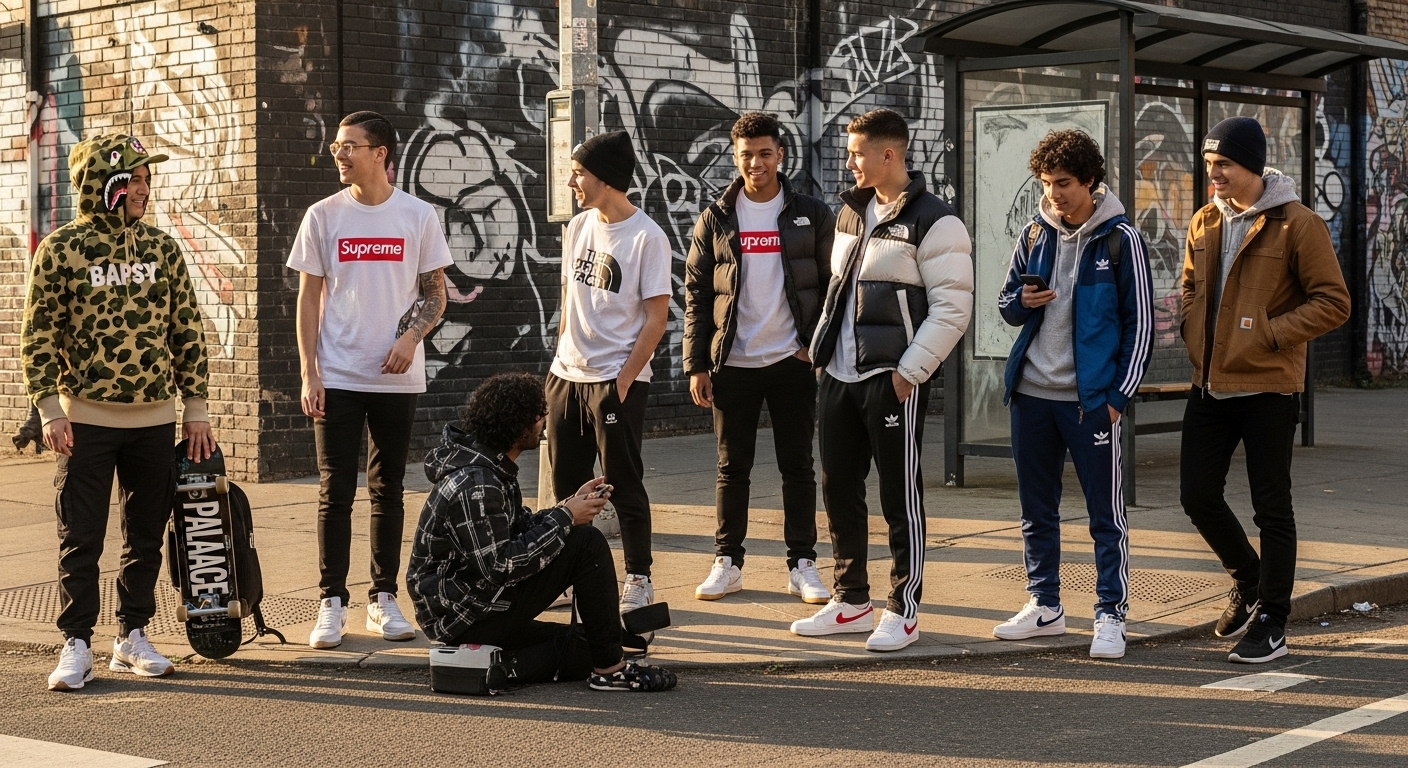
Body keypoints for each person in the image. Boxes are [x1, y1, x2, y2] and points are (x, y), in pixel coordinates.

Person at [23, 134, 215, 690]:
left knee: (146, 535)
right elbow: (38, 333)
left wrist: (195, 407)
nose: (143, 189)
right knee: (81, 537)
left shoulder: (162, 248)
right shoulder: (61, 249)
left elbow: (186, 330)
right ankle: (76, 643)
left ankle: (131, 635)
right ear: (102, 184)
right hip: (83, 419)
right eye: (133, 179)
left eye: (147, 179)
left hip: (154, 419)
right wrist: (49, 409)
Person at [793, 108, 974, 652]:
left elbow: (952, 309)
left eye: (856, 153)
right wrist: (821, 354)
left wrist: (909, 372)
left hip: (890, 378)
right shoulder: (851, 213)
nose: (848, 162)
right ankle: (851, 599)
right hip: (839, 374)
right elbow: (837, 291)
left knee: (900, 494)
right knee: (839, 488)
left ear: (888, 154)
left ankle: (903, 608)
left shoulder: (936, 221)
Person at [1180, 116, 1349, 664]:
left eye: (1224, 164)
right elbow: (1190, 286)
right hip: (1209, 384)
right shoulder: (1204, 220)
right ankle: (1249, 578)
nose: (1214, 174)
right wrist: (1191, 327)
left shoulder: (1299, 224)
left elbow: (1334, 302)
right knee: (1196, 495)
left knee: (1271, 508)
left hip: (1268, 388)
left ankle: (1273, 621)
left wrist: (1271, 335)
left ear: (1252, 165)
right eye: (1210, 164)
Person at [287, 111, 452, 649]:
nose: (339, 153)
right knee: (334, 491)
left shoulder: (417, 215)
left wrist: (411, 338)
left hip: (395, 379)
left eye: (350, 145)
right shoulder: (323, 216)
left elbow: (435, 294)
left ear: (380, 153)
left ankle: (382, 598)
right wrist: (310, 371)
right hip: (337, 374)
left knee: (388, 490)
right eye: (337, 145)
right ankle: (331, 602)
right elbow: (308, 299)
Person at [407, 373, 677, 692]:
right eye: (538, 415)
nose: (544, 420)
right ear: (517, 426)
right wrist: (566, 517)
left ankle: (504, 668)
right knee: (586, 542)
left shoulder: (490, 469)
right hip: (463, 616)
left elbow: (520, 527)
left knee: (588, 644)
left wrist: (569, 505)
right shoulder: (477, 484)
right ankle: (610, 671)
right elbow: (501, 565)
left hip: (475, 604)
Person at [992, 130, 1153, 660]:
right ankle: (1045, 605)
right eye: (1046, 183)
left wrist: (1117, 398)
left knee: (1105, 514)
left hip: (1091, 404)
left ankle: (1110, 614)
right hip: (1032, 394)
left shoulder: (1121, 239)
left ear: (1089, 180)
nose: (1053, 194)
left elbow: (1141, 326)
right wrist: (1023, 299)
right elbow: (1006, 304)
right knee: (1036, 510)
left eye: (1063, 183)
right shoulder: (1034, 232)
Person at [683, 112, 836, 603]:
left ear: (780, 155)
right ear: (736, 157)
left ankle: (802, 564)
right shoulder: (716, 217)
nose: (756, 163)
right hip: (733, 363)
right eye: (747, 155)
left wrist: (816, 346)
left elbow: (833, 286)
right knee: (732, 469)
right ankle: (728, 563)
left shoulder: (811, 213)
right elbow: (696, 295)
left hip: (792, 361)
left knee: (798, 467)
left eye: (765, 153)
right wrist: (697, 364)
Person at [547, 130, 671, 615]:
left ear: (606, 177)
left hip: (614, 381)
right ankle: (566, 576)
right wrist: (560, 356)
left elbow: (656, 320)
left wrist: (621, 382)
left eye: (579, 173)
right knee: (566, 489)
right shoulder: (578, 227)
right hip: (566, 377)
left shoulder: (647, 237)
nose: (571, 182)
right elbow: (568, 298)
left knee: (623, 483)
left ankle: (638, 578)